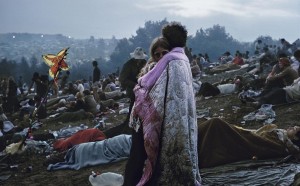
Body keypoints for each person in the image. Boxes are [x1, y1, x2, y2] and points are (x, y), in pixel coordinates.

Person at [123, 22, 201, 186]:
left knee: (139, 155)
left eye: (163, 52)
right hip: (155, 114)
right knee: (139, 154)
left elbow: (145, 83)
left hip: (154, 114)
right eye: (157, 54)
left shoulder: (170, 60)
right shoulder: (183, 59)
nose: (160, 56)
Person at [198, 117, 300, 168]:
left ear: (295, 138)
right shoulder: (280, 135)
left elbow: (257, 144)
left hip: (242, 143)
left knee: (216, 124)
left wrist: (240, 134)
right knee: (216, 124)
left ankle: (198, 149)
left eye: (294, 129)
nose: (291, 127)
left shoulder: (281, 144)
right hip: (245, 137)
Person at [118, 47, 147, 124]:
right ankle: (131, 122)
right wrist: (134, 84)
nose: (139, 60)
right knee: (133, 107)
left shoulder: (144, 62)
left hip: (143, 88)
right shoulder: (128, 65)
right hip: (132, 90)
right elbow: (122, 79)